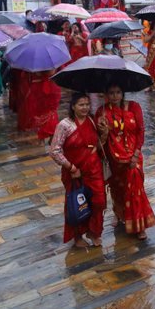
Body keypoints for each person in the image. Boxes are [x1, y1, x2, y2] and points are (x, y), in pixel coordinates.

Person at [97, 83, 155, 239]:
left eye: (118, 92)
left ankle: (139, 226)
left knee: (135, 190)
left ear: (123, 93)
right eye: (111, 93)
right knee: (117, 188)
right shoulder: (101, 112)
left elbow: (140, 131)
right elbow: (99, 141)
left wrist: (136, 154)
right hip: (113, 158)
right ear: (106, 95)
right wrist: (102, 130)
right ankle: (118, 213)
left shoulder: (134, 107)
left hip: (133, 157)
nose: (115, 96)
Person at [50, 93, 106, 249]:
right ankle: (77, 235)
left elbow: (98, 144)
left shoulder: (92, 121)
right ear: (73, 106)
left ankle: (94, 232)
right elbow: (54, 151)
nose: (85, 108)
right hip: (75, 172)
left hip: (94, 169)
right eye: (81, 105)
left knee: (99, 201)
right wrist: (71, 167)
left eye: (87, 104)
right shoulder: (65, 125)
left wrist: (104, 133)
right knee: (77, 203)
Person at [23, 70, 61, 141]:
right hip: (40, 90)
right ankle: (48, 136)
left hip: (45, 89)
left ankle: (50, 136)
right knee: (44, 114)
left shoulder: (31, 64)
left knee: (49, 113)